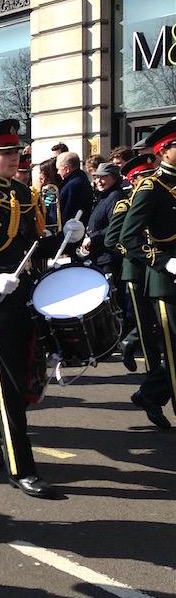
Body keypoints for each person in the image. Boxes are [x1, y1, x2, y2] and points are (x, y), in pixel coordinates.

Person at [0, 119, 85, 499]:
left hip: (28, 301)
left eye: (15, 152)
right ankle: (21, 468)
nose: (13, 158)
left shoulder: (25, 195)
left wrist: (65, 239)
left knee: (27, 385)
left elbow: (32, 245)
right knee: (8, 391)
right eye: (4, 153)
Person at [105, 153, 171, 429]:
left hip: (156, 270)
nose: (146, 180)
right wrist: (141, 255)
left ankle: (152, 388)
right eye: (141, 177)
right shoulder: (125, 202)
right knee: (147, 329)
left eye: (149, 174)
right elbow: (116, 239)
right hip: (139, 271)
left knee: (161, 334)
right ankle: (150, 375)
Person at [119, 120, 176, 429]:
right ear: (163, 151)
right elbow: (129, 237)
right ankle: (152, 394)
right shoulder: (151, 186)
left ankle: (150, 394)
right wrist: (164, 261)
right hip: (167, 282)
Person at [81, 162, 127, 277]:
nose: (99, 181)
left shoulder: (116, 196)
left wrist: (94, 238)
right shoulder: (103, 195)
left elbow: (115, 226)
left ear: (114, 178)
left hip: (109, 256)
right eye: (97, 177)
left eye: (104, 177)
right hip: (99, 254)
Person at [56, 151, 93, 225]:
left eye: (59, 169)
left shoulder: (72, 185)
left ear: (67, 169)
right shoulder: (81, 179)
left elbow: (67, 212)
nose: (58, 172)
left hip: (71, 229)